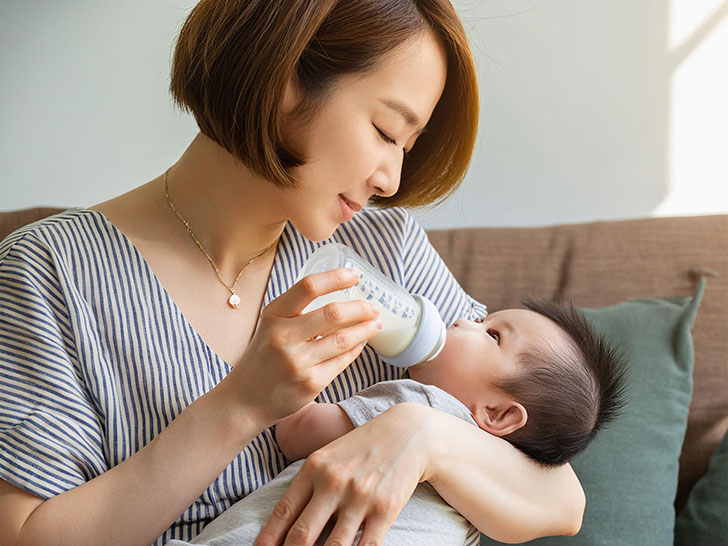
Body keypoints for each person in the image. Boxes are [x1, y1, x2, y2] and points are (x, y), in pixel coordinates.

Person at [0, 2, 587, 545]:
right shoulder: (52, 275)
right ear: (285, 79)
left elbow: (560, 497)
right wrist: (238, 406)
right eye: (386, 131)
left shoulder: (383, 252)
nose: (390, 181)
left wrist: (419, 434)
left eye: (406, 146)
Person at [163, 300, 627, 545]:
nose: (464, 318)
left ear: (500, 415)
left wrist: (325, 355)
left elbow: (296, 431)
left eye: (491, 333)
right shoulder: (488, 493)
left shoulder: (420, 401)